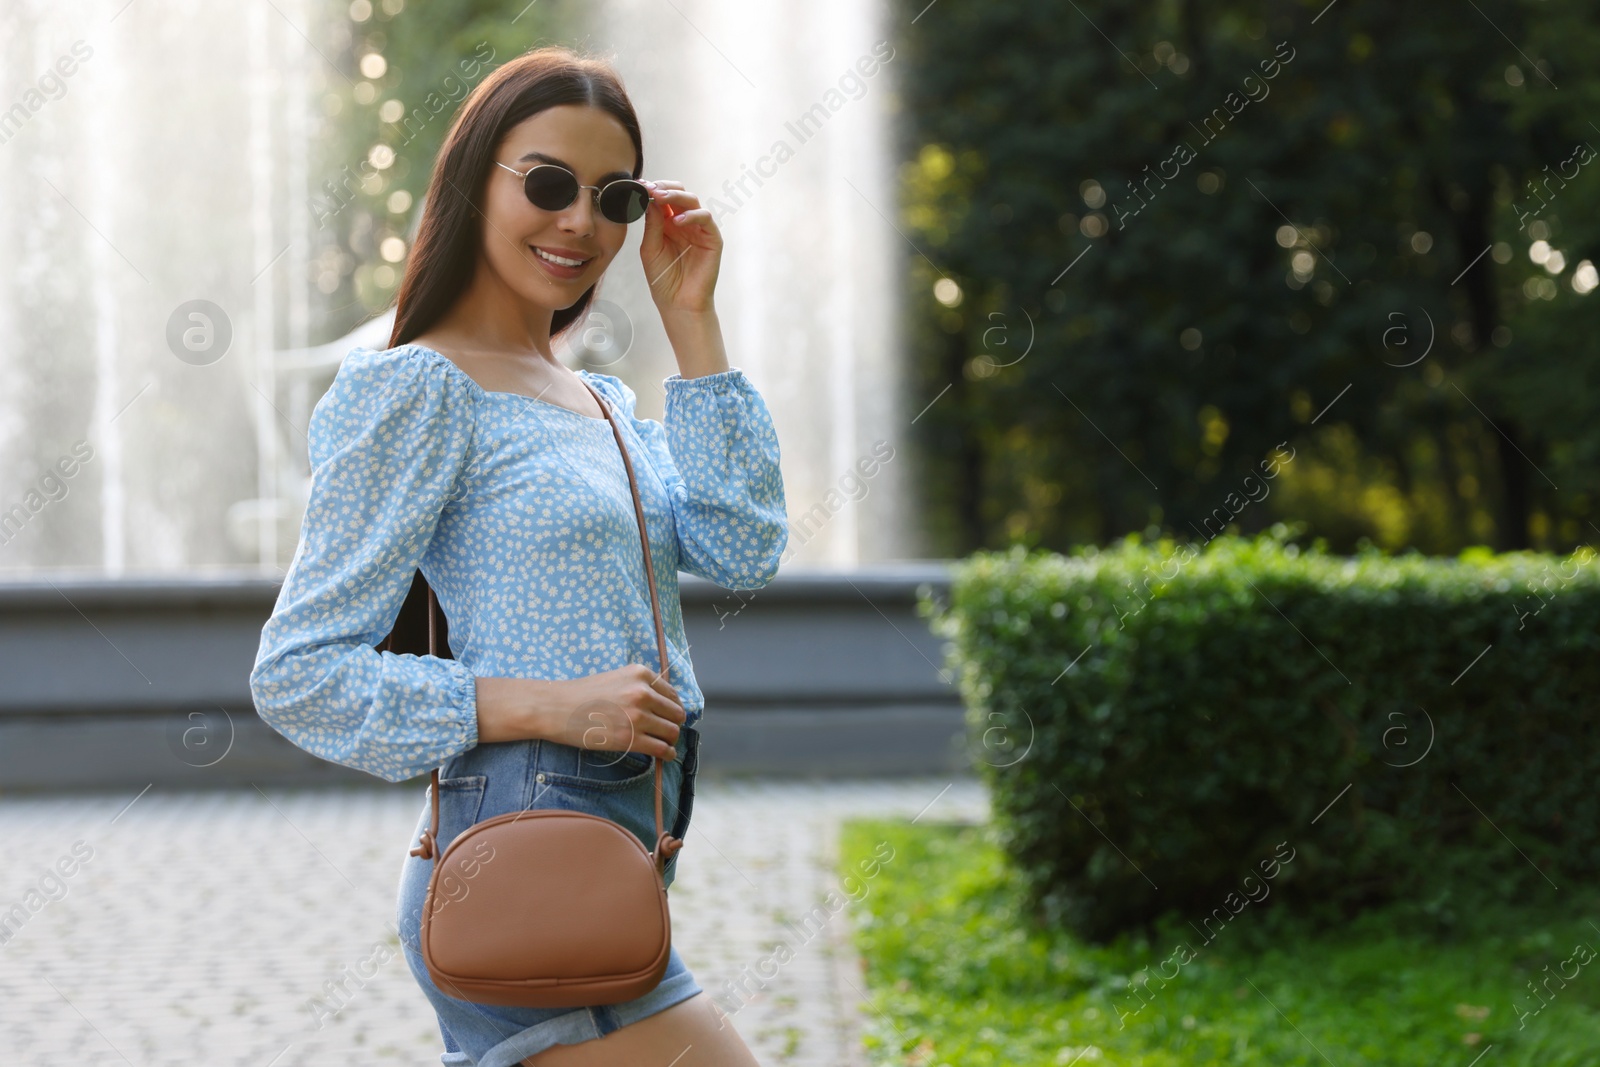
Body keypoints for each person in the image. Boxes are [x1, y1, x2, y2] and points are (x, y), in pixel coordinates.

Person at [248, 44, 785, 1067]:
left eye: (613, 195)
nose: (580, 221)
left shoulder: (598, 400)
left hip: (611, 860)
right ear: (472, 182)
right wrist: (544, 702)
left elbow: (744, 544)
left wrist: (693, 322)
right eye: (546, 183)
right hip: (523, 861)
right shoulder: (417, 389)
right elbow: (299, 674)